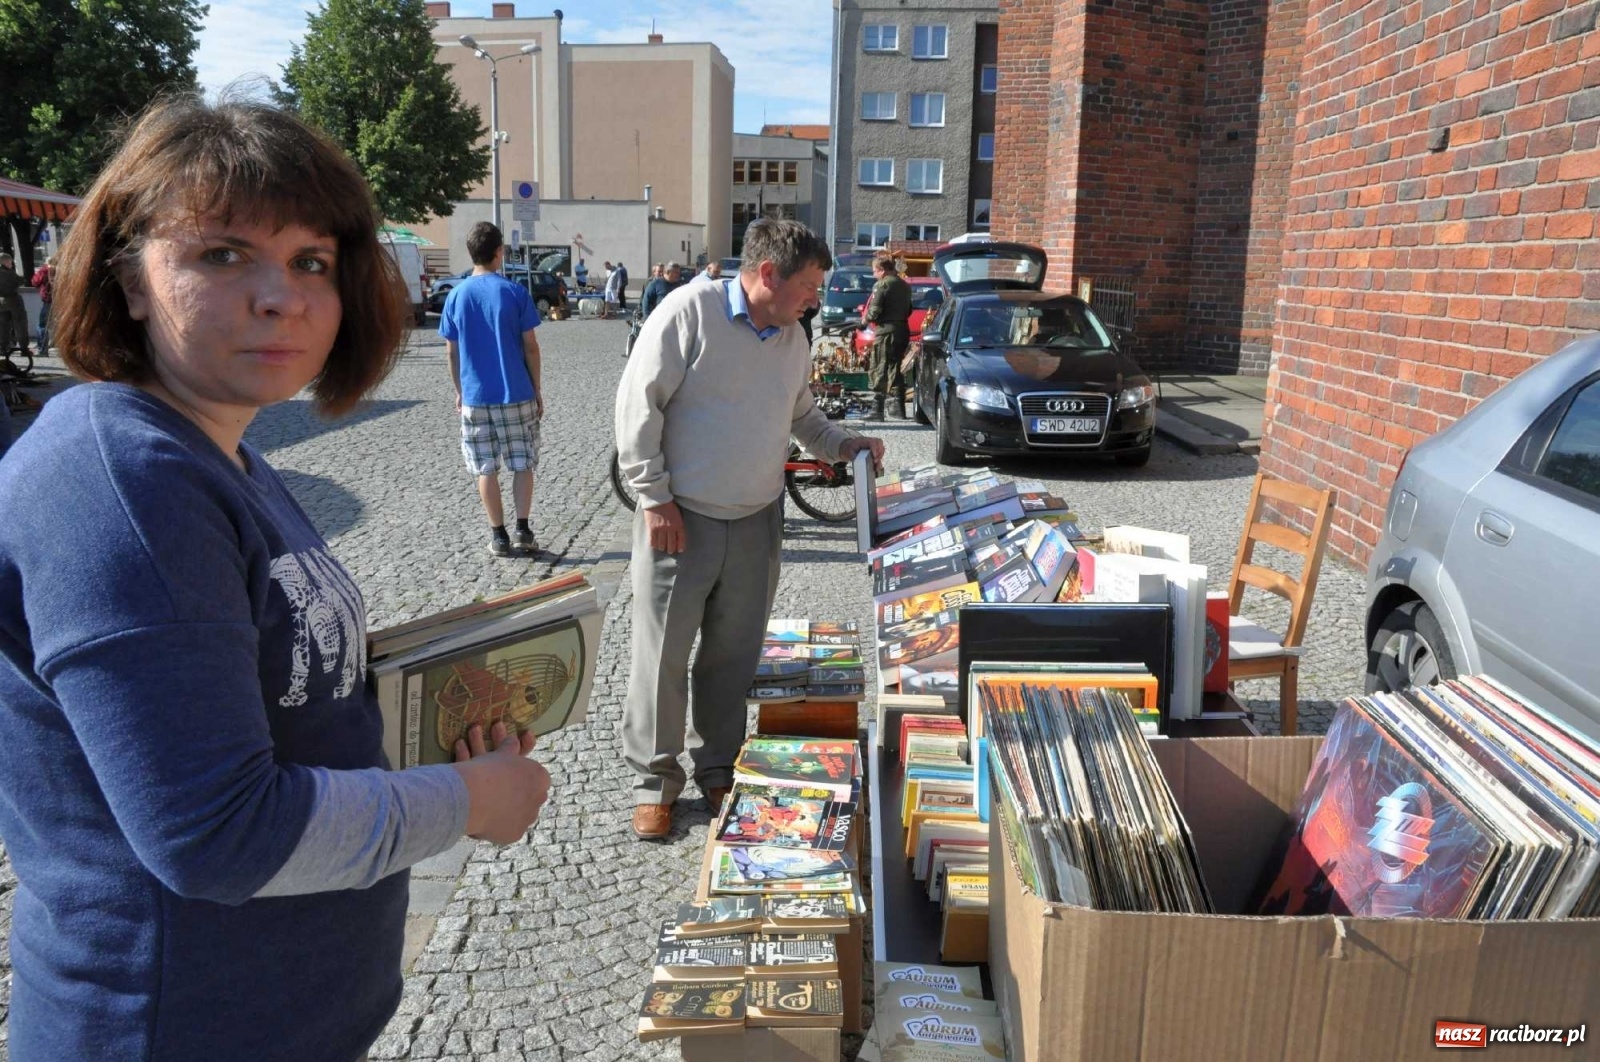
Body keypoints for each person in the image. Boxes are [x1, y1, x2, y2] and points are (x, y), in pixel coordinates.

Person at [0, 97, 552, 1062]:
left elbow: (268, 681)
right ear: (130, 279)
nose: (281, 296)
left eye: (312, 261)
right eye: (221, 254)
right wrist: (469, 802)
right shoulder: (124, 479)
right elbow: (220, 833)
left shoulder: (223, 451)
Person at [615, 219, 884, 839]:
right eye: (811, 284)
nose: (818, 296)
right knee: (661, 657)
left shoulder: (793, 335)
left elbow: (802, 415)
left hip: (758, 518)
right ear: (768, 274)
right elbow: (637, 408)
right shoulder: (687, 313)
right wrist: (654, 500)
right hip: (680, 518)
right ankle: (654, 781)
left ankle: (717, 766)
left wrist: (844, 445)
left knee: (732, 658)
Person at [438, 222, 545, 557]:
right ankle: (523, 530)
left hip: (475, 396)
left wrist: (459, 390)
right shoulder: (514, 293)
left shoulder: (455, 295)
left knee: (485, 467)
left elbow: (451, 351)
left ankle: (498, 536)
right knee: (522, 462)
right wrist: (537, 388)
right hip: (516, 392)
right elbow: (531, 347)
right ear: (499, 252)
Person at [864, 251, 913, 420]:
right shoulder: (905, 285)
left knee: (879, 367)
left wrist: (865, 320)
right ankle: (898, 408)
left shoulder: (883, 285)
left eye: (874, 271)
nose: (873, 275)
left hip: (886, 332)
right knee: (896, 368)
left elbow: (875, 310)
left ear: (882, 269)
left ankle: (877, 410)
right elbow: (909, 310)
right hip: (902, 330)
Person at [0, 251, 30, 357]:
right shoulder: (8, 273)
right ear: (6, 261)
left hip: (1, 302)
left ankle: (3, 348)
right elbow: (20, 280)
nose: (11, 264)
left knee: (3, 326)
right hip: (13, 301)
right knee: (20, 324)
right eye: (10, 262)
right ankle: (24, 348)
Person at [29, 255, 54, 353]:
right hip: (61, 301)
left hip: (48, 300)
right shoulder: (62, 270)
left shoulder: (44, 271)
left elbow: (35, 282)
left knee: (42, 325)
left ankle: (42, 348)